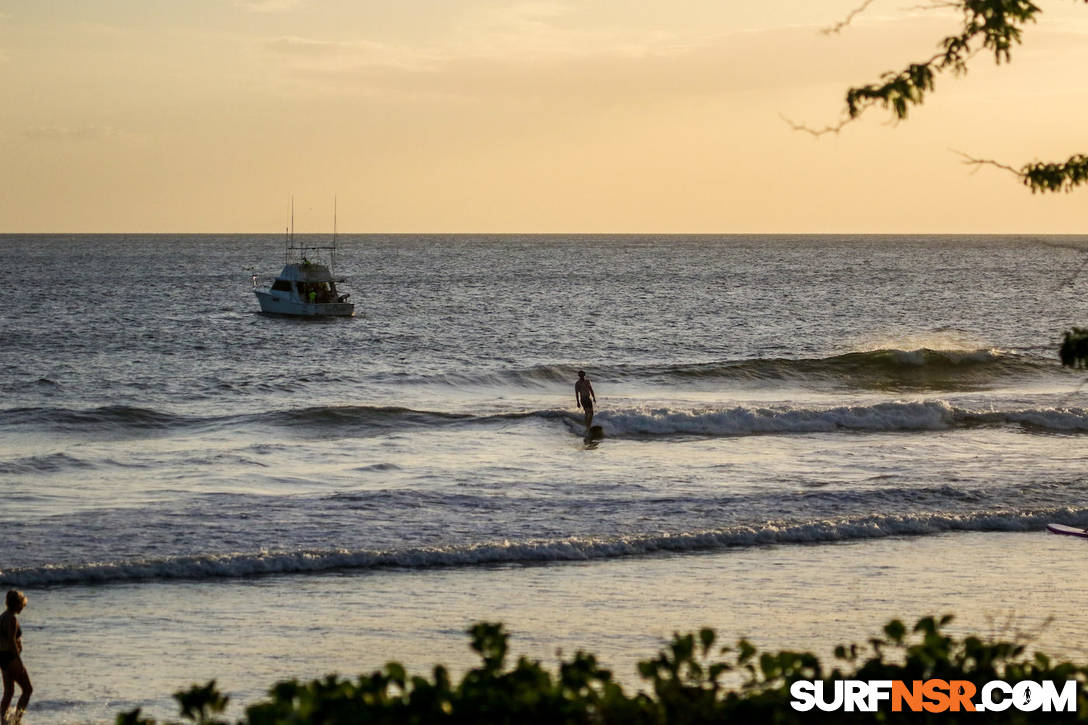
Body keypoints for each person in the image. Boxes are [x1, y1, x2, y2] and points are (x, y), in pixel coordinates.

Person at [0, 590, 31, 725]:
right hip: (11, 658)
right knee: (28, 689)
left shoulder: (2, 616)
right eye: (22, 605)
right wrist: (18, 660)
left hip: (2, 658)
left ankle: (2, 720)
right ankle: (17, 720)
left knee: (9, 692)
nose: (23, 607)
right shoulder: (11, 618)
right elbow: (12, 642)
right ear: (18, 604)